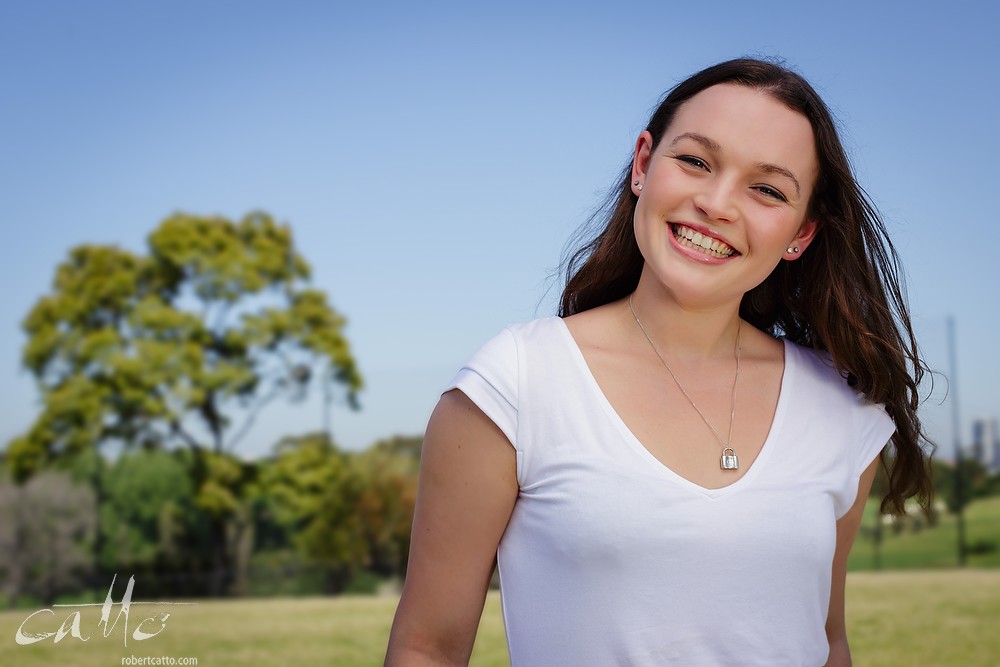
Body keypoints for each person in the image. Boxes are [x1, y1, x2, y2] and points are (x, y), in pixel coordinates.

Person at [384, 58, 933, 667]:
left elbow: (826, 640)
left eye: (768, 190)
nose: (717, 203)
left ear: (802, 234)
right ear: (643, 164)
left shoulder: (842, 408)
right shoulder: (515, 383)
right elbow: (426, 649)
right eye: (696, 161)